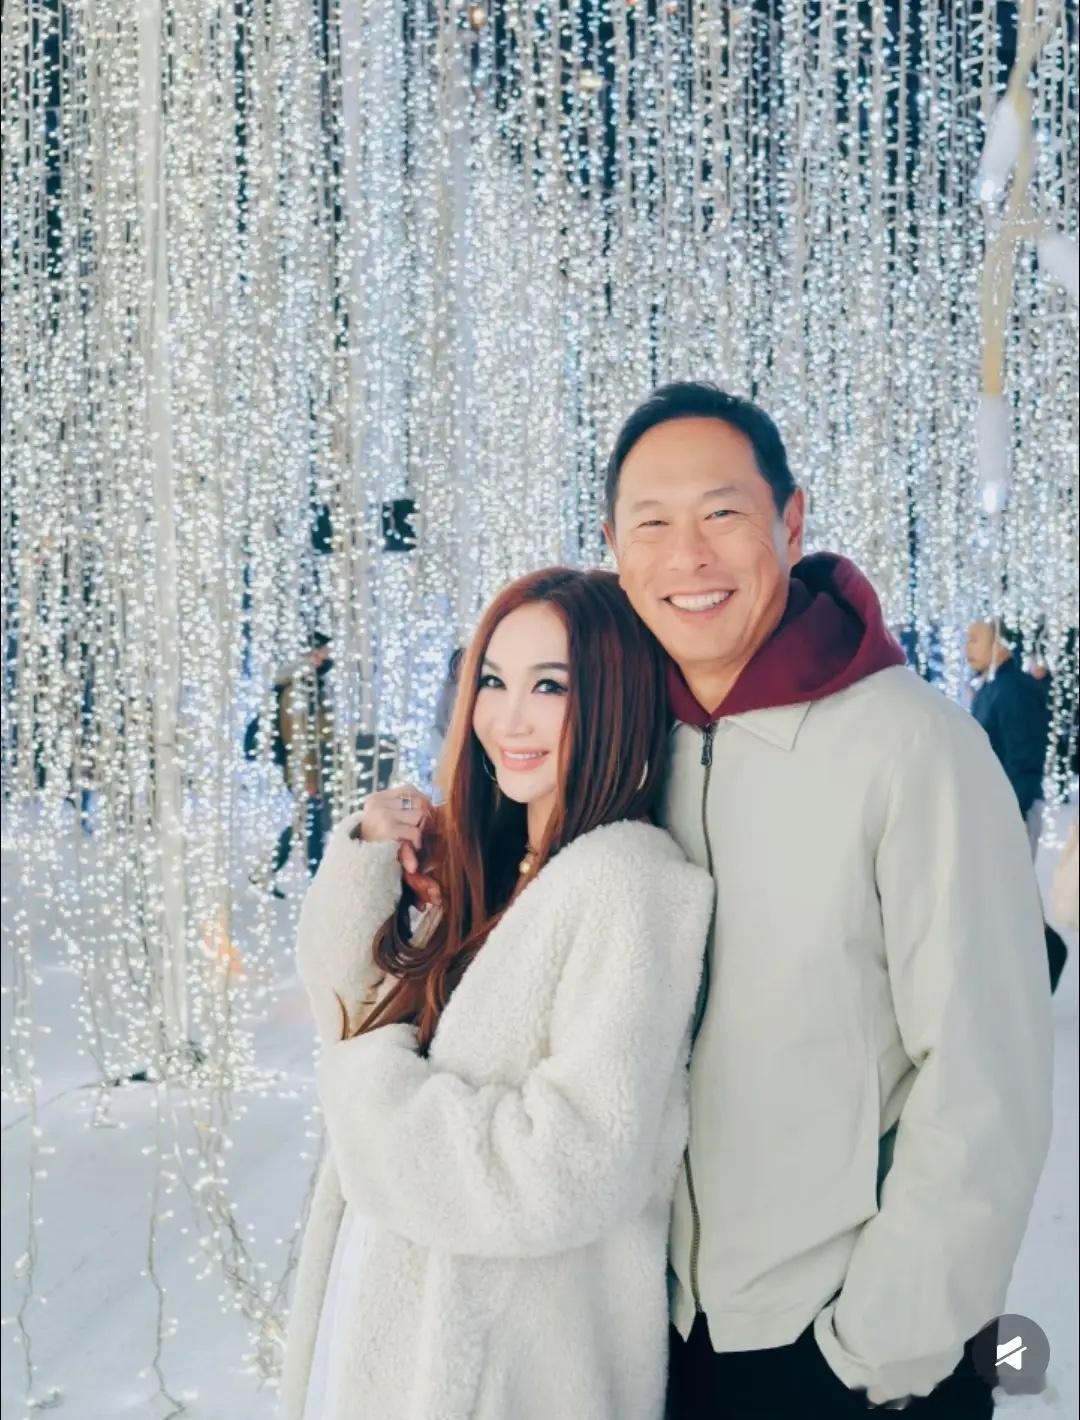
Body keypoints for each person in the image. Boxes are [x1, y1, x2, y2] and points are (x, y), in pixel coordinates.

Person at [600, 382, 1052, 1419]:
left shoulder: (913, 745)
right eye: (652, 524)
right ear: (615, 549)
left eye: (722, 512)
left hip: (847, 1358)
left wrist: (873, 1349)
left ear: (790, 522)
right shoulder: (627, 746)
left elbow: (986, 1075)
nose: (688, 557)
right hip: (661, 1342)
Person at [279, 568, 713, 1420]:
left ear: (614, 699)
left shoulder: (629, 883)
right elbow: (347, 1009)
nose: (508, 718)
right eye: (492, 680)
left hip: (505, 1371)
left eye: (550, 686)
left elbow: (568, 1165)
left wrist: (367, 1089)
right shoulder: (508, 863)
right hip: (401, 1336)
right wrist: (371, 863)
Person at [249, 634, 335, 897]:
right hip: (304, 770)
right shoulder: (298, 689)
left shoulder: (311, 684)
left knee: (306, 823)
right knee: (311, 824)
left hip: (312, 768)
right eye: (323, 652)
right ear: (312, 654)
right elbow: (297, 738)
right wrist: (309, 778)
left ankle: (269, 872)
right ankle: (316, 883)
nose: (327, 656)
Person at [966, 618, 1051, 858]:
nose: (967, 648)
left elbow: (1025, 757)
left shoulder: (1015, 689)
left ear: (999, 644)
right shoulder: (992, 687)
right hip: (995, 808)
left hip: (1012, 811)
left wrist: (1015, 813)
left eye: (974, 640)